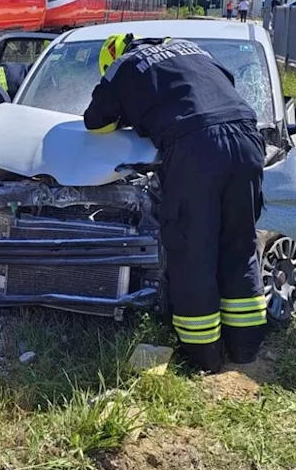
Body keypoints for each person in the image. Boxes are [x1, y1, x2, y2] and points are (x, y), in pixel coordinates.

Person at [84, 34, 267, 373]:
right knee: (240, 245)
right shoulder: (195, 49)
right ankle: (247, 350)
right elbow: (224, 84)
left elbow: (96, 121)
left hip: (195, 147)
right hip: (247, 138)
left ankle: (204, 358)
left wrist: (132, 112)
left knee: (193, 253)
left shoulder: (124, 65)